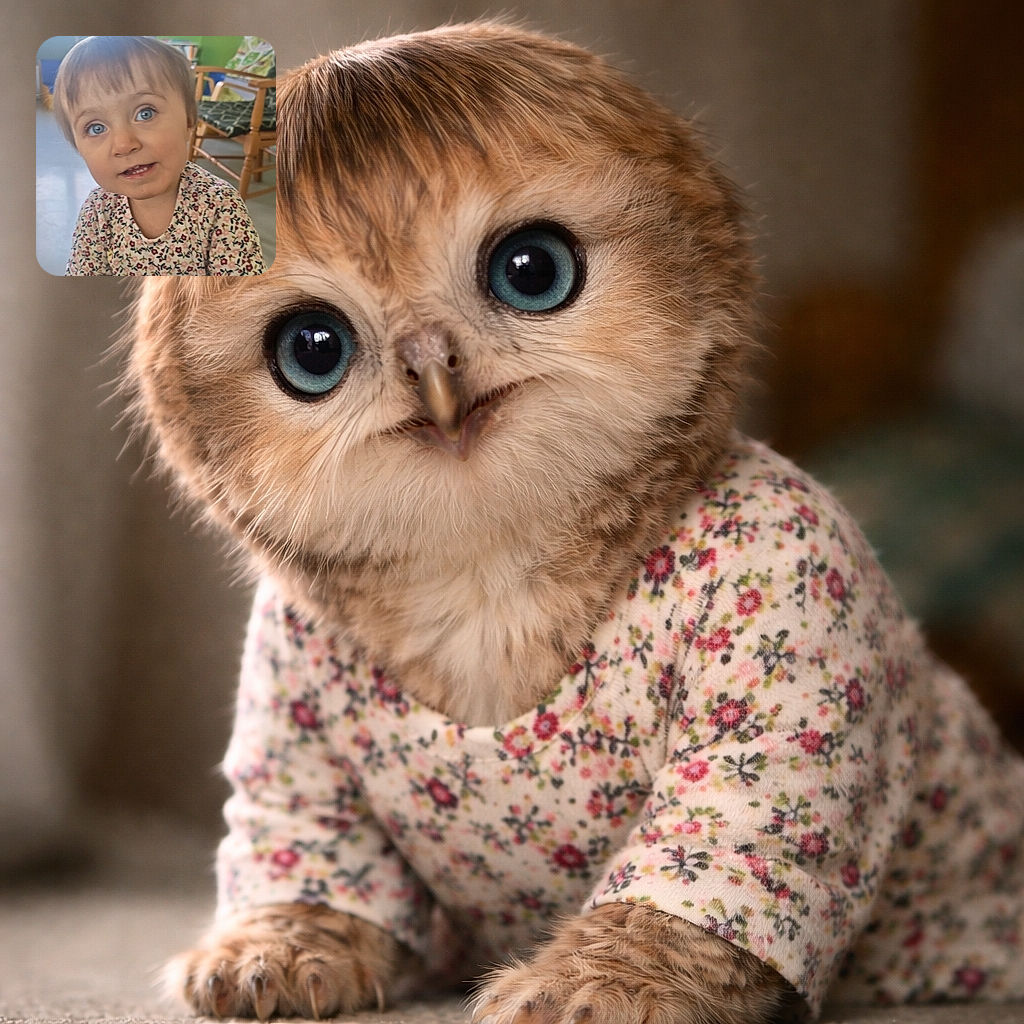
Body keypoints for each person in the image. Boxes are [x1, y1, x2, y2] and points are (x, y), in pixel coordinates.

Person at [52, 36, 265, 275]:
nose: (124, 144)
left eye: (145, 113)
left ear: (188, 121)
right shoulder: (97, 212)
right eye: (96, 128)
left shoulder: (220, 205)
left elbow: (239, 297)